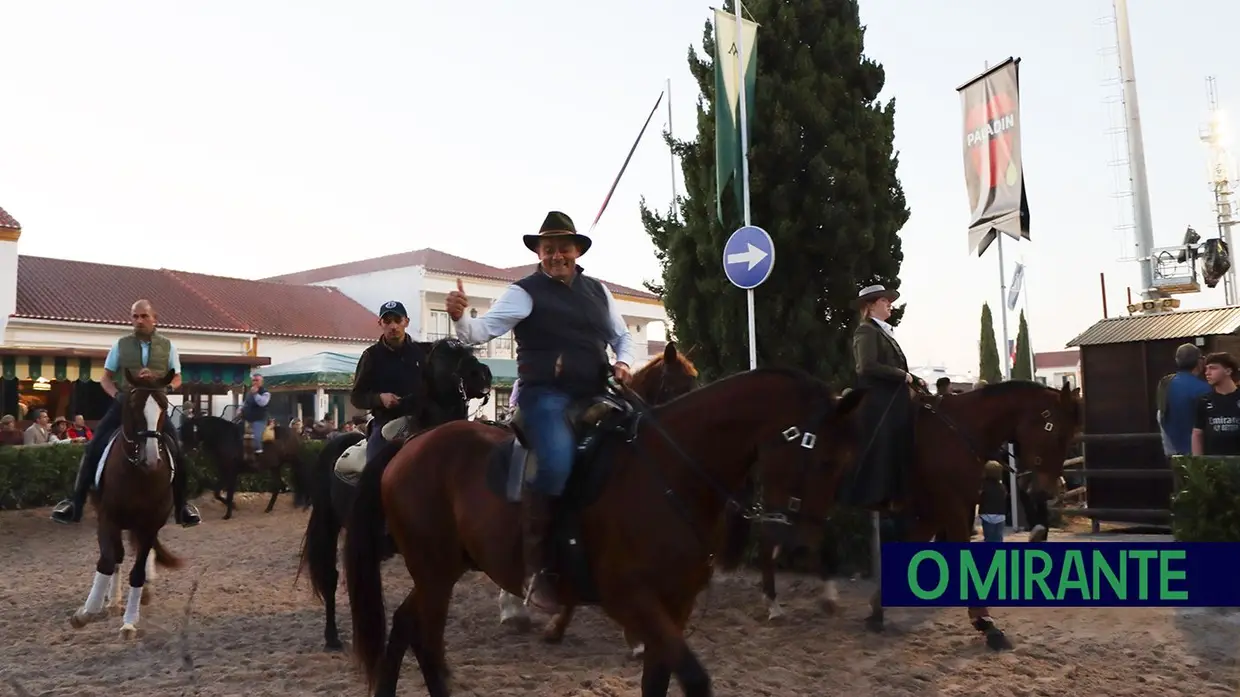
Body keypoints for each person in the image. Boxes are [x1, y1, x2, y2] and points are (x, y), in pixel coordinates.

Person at [444, 210, 634, 614]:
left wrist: (623, 362)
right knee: (556, 462)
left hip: (596, 391)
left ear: (577, 251)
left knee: (638, 441)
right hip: (545, 395)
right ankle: (535, 569)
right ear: (539, 253)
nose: (556, 255)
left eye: (563, 248)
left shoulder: (598, 291)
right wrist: (460, 317)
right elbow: (481, 332)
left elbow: (622, 337)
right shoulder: (524, 292)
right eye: (548, 249)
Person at [51, 299, 201, 527]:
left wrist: (167, 389)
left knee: (178, 450)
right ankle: (75, 504)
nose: (139, 320)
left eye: (144, 316)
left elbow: (178, 377)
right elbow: (105, 378)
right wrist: (116, 395)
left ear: (155, 319)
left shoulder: (168, 346)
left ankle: (182, 507)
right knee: (93, 446)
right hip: (125, 404)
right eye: (135, 316)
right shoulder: (120, 345)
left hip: (154, 406)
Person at [839, 284, 923, 510]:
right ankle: (880, 494)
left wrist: (914, 378)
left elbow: (894, 366)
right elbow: (866, 366)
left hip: (894, 398)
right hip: (880, 401)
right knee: (884, 443)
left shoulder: (883, 331)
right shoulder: (866, 330)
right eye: (885, 301)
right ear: (871, 305)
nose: (890, 305)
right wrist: (902, 375)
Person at [349, 300, 427, 463]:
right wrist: (380, 399)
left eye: (398, 320)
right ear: (380, 323)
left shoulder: (423, 353)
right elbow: (356, 397)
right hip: (385, 423)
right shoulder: (371, 356)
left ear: (406, 322)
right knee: (374, 464)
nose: (393, 326)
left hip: (422, 421)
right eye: (387, 321)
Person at [1161, 343, 1210, 457]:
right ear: (1199, 361)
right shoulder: (1204, 389)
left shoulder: (1165, 385)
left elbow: (1161, 415)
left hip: (1173, 449)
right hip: (1199, 451)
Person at [1191, 351, 1240, 456]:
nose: (1207, 373)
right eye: (1206, 369)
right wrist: (1198, 461)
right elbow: (1197, 433)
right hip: (1213, 461)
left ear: (1228, 371)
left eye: (1213, 368)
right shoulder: (1204, 400)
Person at [239, 373, 272, 455]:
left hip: (259, 419)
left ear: (261, 382)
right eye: (253, 380)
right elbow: (244, 403)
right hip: (247, 418)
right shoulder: (249, 393)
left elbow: (262, 403)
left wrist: (255, 394)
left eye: (257, 380)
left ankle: (259, 452)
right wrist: (239, 409)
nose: (255, 382)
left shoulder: (265, 393)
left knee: (256, 437)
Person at [978, 461, 1009, 543]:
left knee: (988, 539)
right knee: (999, 539)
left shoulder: (983, 485)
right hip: (1000, 515)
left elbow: (979, 498)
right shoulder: (1002, 487)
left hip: (987, 515)